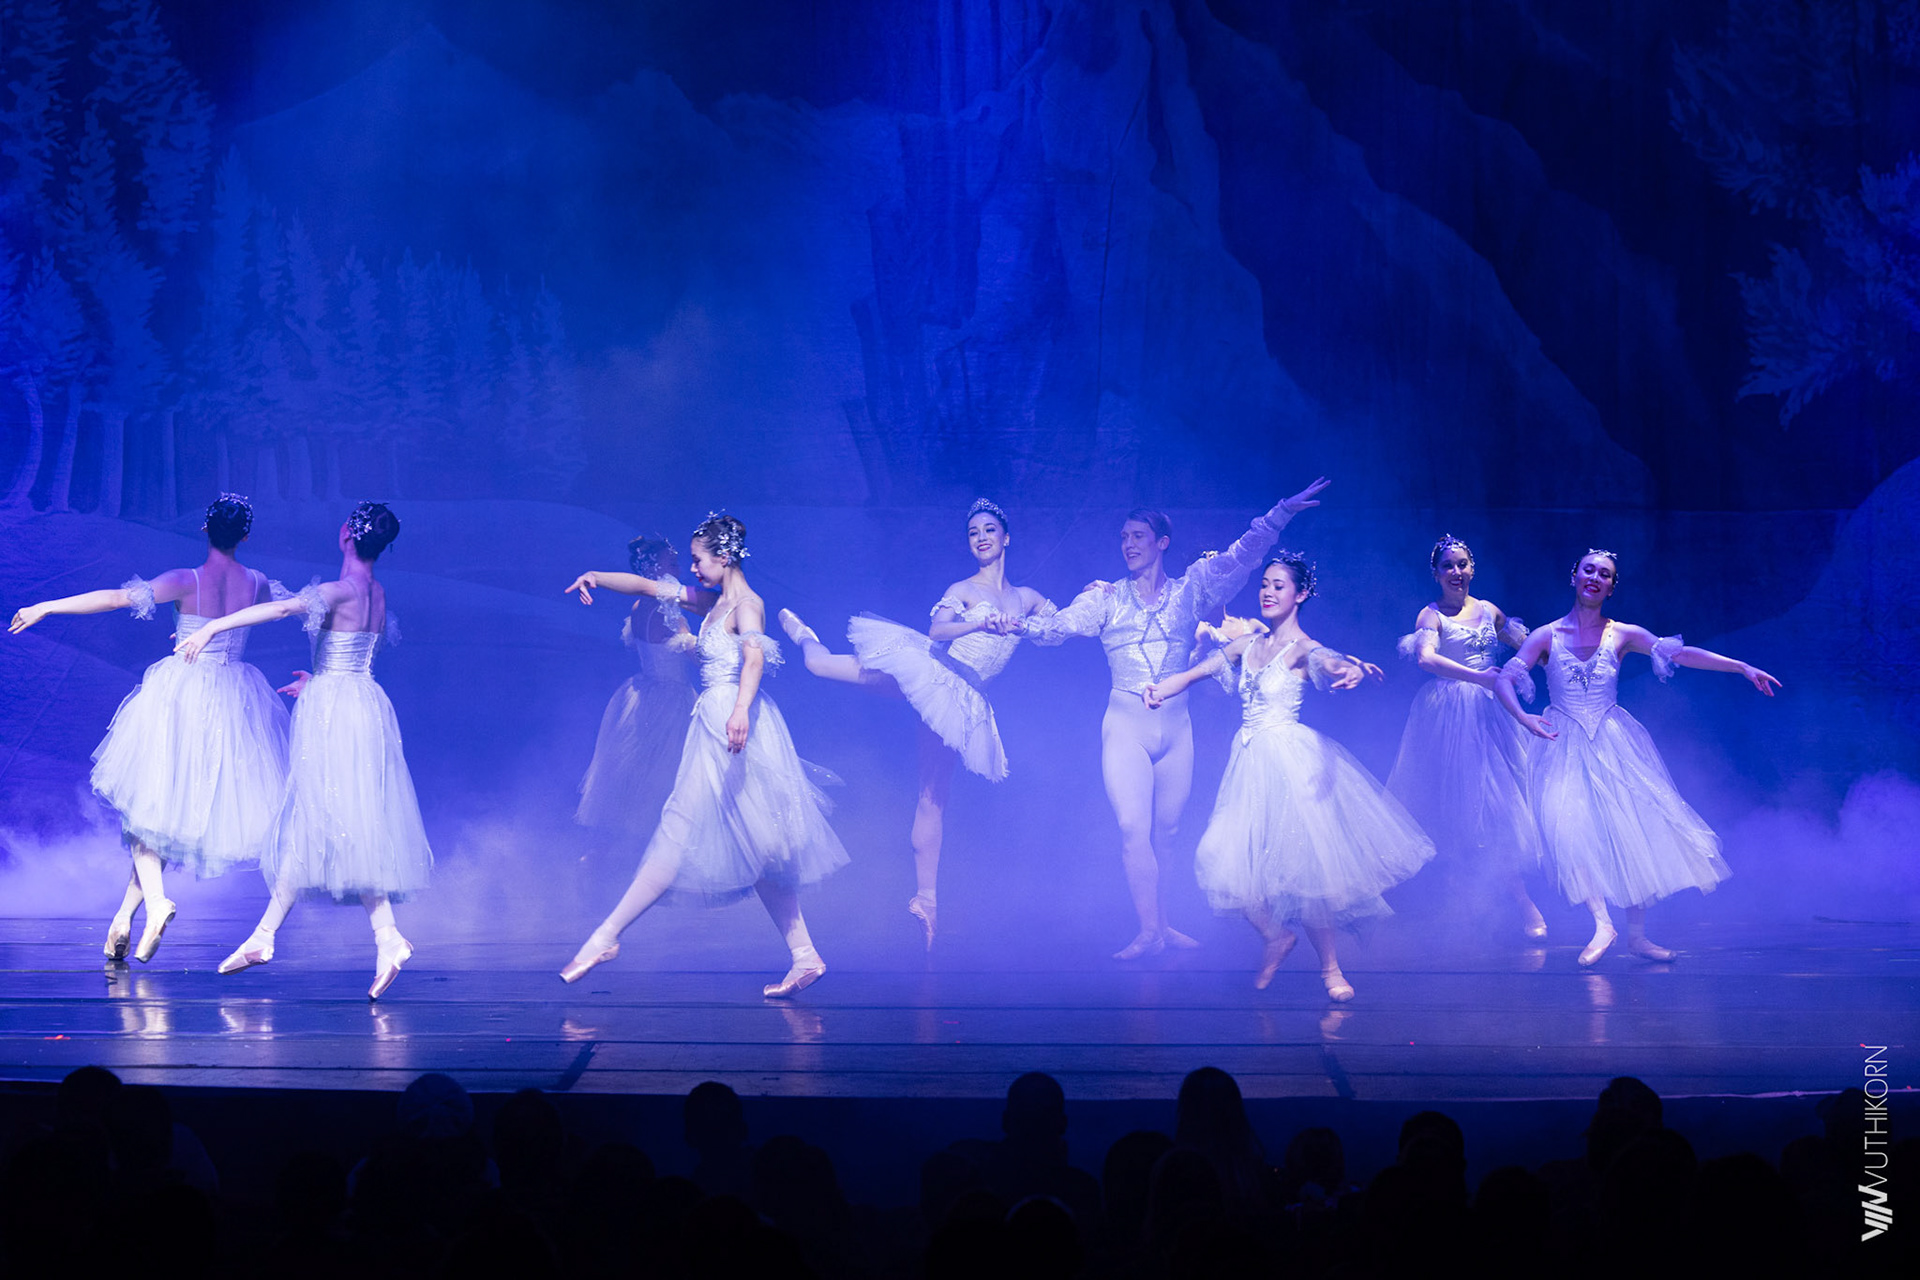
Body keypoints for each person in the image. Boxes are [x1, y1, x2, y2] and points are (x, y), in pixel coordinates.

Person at [1025, 479, 1330, 959]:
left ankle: (1163, 926)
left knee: (1167, 833)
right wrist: (1011, 622)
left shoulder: (1192, 588)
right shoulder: (1105, 598)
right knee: (1133, 827)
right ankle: (1148, 931)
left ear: (1161, 542)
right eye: (1123, 538)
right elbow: (1056, 629)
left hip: (1176, 728)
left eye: (1138, 537)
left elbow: (1242, 555)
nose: (1128, 545)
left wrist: (1281, 512)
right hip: (1126, 724)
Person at [558, 513, 848, 997]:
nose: (692, 568)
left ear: (724, 556)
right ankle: (805, 955)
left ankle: (605, 937)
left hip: (732, 722)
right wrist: (595, 576)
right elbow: (647, 587)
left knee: (681, 830)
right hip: (714, 720)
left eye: (697, 560)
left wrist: (740, 710)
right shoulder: (712, 602)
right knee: (756, 844)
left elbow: (754, 659)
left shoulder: (747, 605)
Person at [8, 495, 288, 963]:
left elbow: (116, 598)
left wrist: (48, 605)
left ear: (205, 528)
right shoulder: (257, 583)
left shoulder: (186, 579)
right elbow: (281, 610)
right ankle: (122, 920)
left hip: (181, 696)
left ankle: (157, 903)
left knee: (146, 813)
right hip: (233, 703)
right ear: (245, 535)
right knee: (160, 818)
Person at [1144, 554, 1434, 1000]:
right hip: (1248, 762)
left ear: (1300, 594)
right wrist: (1162, 688)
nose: (1267, 592)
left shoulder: (1302, 648)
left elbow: (1327, 660)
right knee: (1216, 857)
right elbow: (1199, 672)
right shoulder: (1248, 643)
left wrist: (1351, 668)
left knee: (1305, 870)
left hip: (1289, 762)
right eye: (1264, 584)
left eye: (1278, 586)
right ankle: (1276, 936)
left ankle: (1331, 970)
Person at [177, 502, 431, 999]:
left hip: (337, 713)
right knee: (328, 820)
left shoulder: (341, 589)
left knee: (322, 817)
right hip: (357, 703)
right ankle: (360, 937)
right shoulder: (375, 591)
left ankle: (279, 936)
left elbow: (279, 609)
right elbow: (354, 653)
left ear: (347, 535)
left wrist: (211, 627)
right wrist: (318, 678)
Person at [777, 497, 1056, 947]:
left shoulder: (1027, 598)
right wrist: (981, 625)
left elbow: (1060, 629)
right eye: (973, 533)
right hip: (934, 674)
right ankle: (806, 638)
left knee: (933, 796)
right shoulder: (964, 589)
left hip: (966, 700)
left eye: (989, 529)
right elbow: (937, 631)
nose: (981, 538)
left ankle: (926, 900)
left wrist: (1093, 595)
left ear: (1006, 537)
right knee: (820, 666)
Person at [1495, 549, 1779, 965]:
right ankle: (1602, 923)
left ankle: (1637, 937)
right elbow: (1505, 679)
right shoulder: (1545, 636)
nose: (1595, 578)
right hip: (1562, 742)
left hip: (1612, 740)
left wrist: (1741, 667)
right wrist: (1523, 718)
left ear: (1612, 587)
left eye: (1605, 574)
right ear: (1574, 576)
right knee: (1569, 830)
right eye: (1589, 570)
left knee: (1631, 827)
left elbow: (1681, 654)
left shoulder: (1623, 634)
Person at [1386, 535, 1547, 940]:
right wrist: (1479, 678)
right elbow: (1426, 658)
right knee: (1468, 806)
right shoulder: (1430, 616)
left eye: (1462, 564)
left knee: (1504, 804)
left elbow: (1529, 647)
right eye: (1448, 566)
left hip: (1495, 712)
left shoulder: (1489, 610)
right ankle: (1504, 902)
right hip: (1452, 714)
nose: (1456, 572)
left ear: (1472, 568)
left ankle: (1492, 899)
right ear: (1436, 574)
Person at [575, 535, 698, 839]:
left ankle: (615, 849)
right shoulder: (667, 610)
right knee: (664, 779)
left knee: (637, 778)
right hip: (671, 698)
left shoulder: (639, 606)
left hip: (644, 692)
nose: (679, 568)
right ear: (655, 569)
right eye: (673, 562)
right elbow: (695, 655)